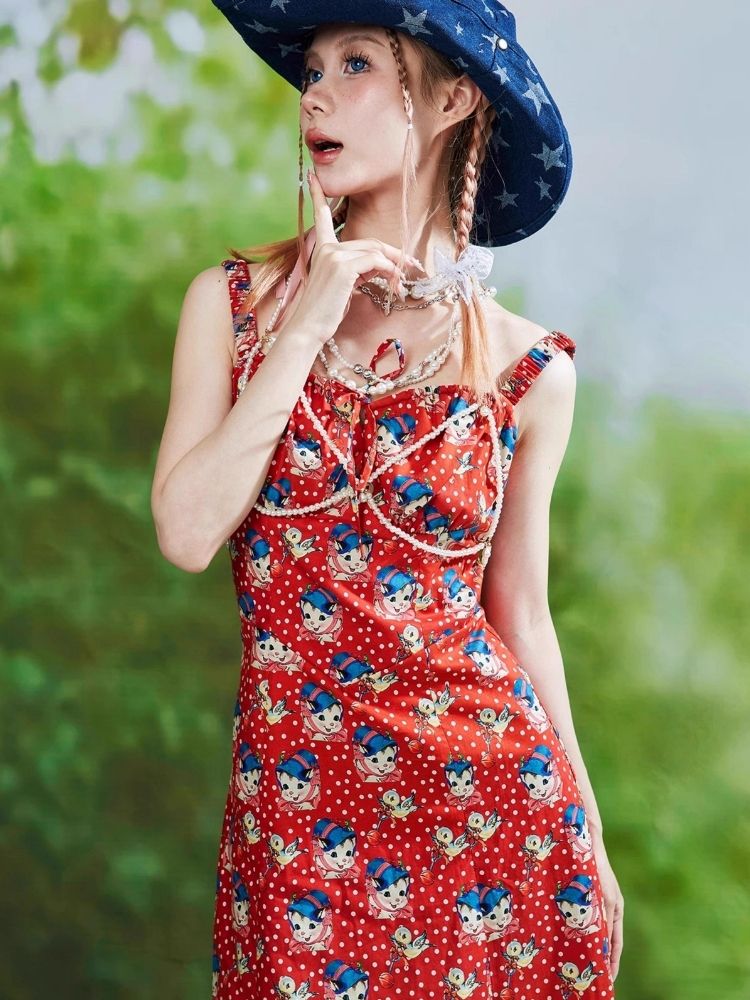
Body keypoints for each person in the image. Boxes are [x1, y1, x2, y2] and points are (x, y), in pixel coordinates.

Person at [151, 4, 624, 997]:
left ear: (452, 97)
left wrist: (585, 817)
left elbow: (522, 616)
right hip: (295, 830)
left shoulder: (527, 371)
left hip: (489, 816)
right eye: (312, 67)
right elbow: (188, 532)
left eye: (358, 62)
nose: (314, 91)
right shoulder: (230, 307)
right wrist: (307, 318)